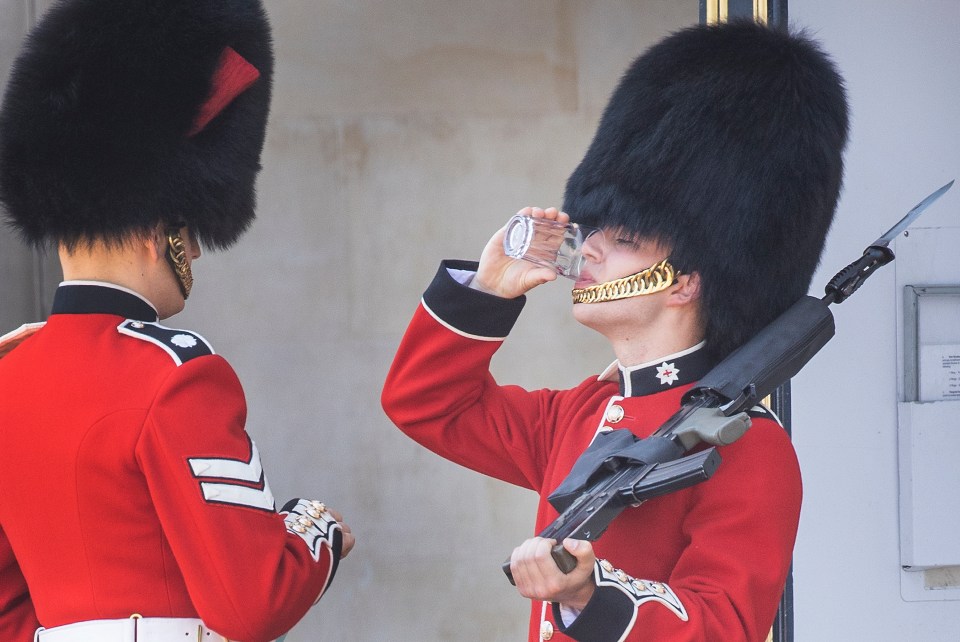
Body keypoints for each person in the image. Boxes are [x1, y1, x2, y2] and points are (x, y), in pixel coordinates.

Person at [382, 20, 848, 642]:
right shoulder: (578, 415)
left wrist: (593, 598)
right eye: (597, 232)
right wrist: (487, 294)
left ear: (684, 280)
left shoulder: (750, 445)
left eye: (623, 239)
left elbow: (726, 624)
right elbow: (425, 405)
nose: (590, 250)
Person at [0, 1, 353, 641]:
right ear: (155, 226)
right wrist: (314, 527)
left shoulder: (9, 375)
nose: (193, 250)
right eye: (188, 229)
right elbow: (252, 603)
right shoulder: (175, 372)